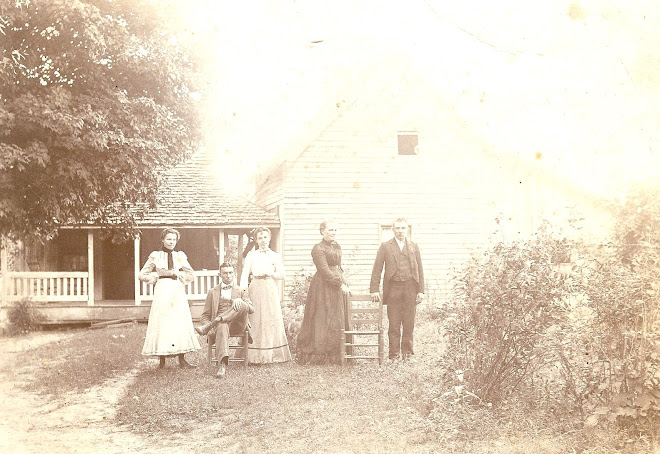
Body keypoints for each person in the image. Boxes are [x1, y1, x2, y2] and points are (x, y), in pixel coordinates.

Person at [139, 228, 200, 368]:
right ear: (162, 240)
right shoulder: (156, 255)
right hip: (162, 290)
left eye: (173, 239)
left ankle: (182, 359)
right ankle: (162, 360)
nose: (171, 242)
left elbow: (191, 274)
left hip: (176, 290)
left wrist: (181, 277)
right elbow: (142, 274)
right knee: (163, 321)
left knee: (178, 320)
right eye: (168, 239)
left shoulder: (180, 256)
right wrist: (154, 277)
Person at [370, 218, 424, 360]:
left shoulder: (414, 246)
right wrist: (374, 289)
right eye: (398, 228)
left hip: (410, 288)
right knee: (393, 323)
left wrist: (421, 290)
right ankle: (394, 354)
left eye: (403, 228)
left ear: (407, 230)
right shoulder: (385, 246)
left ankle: (407, 353)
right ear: (393, 230)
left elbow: (420, 269)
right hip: (393, 288)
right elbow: (377, 268)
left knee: (409, 322)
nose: (400, 231)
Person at [297, 220, 350, 364]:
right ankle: (320, 354)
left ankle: (336, 353)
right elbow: (324, 270)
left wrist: (344, 280)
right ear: (322, 231)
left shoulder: (337, 246)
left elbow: (338, 266)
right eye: (330, 230)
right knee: (322, 317)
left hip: (337, 283)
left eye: (335, 230)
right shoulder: (318, 248)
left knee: (337, 317)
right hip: (323, 286)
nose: (333, 233)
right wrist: (340, 285)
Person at [239, 227, 292, 363]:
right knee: (255, 318)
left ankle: (271, 355)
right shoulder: (252, 255)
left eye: (265, 237)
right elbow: (245, 274)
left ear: (270, 238)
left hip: (269, 287)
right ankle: (252, 355)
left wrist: (271, 274)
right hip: (255, 286)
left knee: (270, 318)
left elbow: (282, 275)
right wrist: (243, 292)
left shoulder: (275, 255)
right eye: (260, 238)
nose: (263, 240)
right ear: (256, 240)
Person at [195, 263, 253, 378]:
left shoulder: (242, 290)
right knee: (222, 324)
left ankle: (215, 322)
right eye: (225, 273)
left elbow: (251, 309)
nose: (228, 276)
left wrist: (238, 301)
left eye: (231, 273)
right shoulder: (213, 292)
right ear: (220, 275)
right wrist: (207, 323)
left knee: (241, 304)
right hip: (223, 327)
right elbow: (205, 315)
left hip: (238, 324)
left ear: (234, 274)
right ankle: (222, 365)